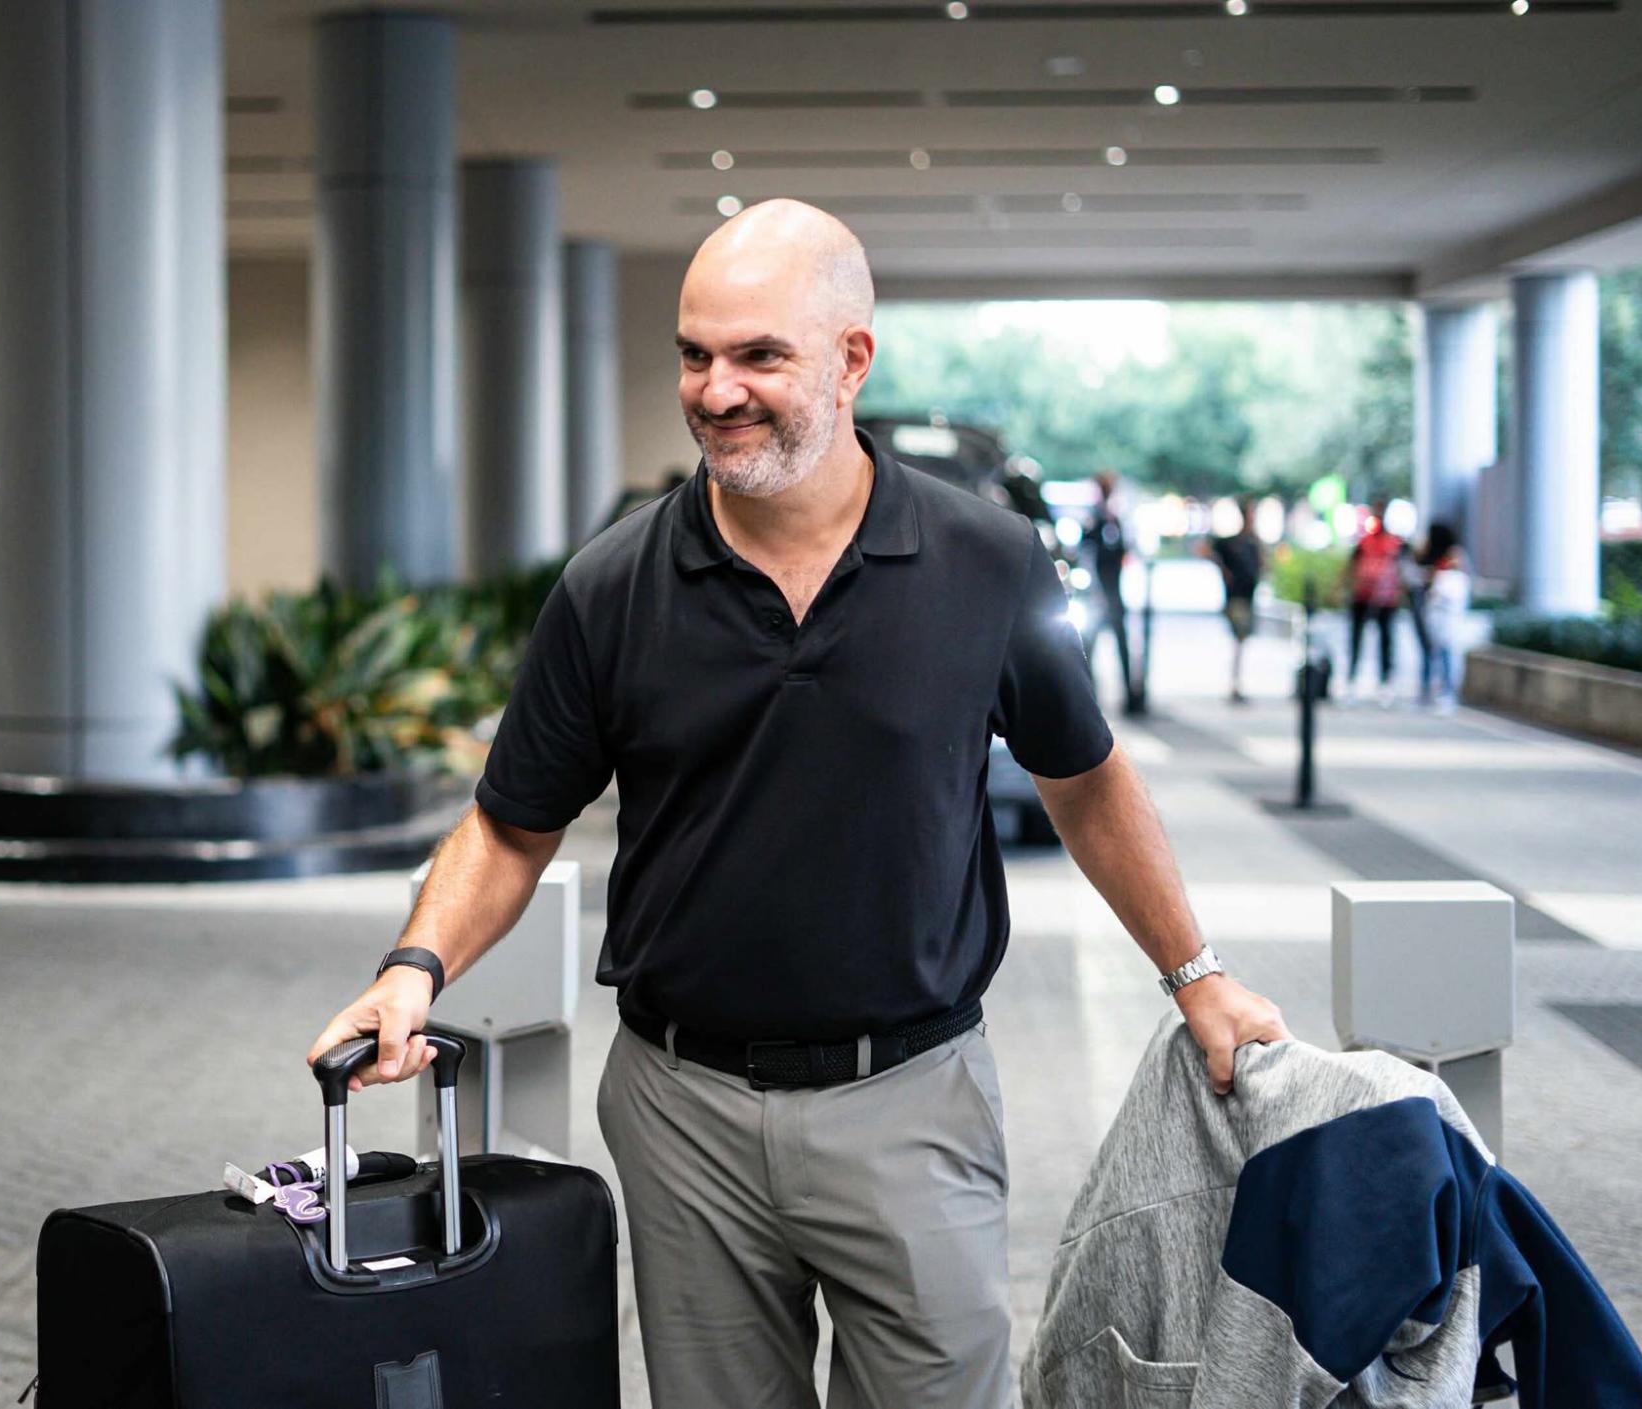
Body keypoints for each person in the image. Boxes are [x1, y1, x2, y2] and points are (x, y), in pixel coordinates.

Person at [307, 199, 1288, 1409]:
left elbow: (1083, 780)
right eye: (693, 354)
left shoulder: (986, 561)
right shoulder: (610, 586)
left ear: (849, 358)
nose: (716, 390)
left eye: (758, 355)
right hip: (683, 1113)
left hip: (912, 1098)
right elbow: (513, 820)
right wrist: (414, 964)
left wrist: (1195, 972)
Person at [1080, 472, 1138, 708]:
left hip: (1113, 593)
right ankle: (1090, 694)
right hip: (1097, 594)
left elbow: (1123, 551)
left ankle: (1130, 694)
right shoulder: (1094, 519)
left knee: (1120, 645)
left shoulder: (1114, 519)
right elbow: (1086, 552)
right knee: (1089, 648)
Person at [1342, 497, 1404, 703]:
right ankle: (1351, 681)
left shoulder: (1395, 543)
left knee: (1386, 641)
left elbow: (1403, 569)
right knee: (1356, 639)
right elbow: (1352, 566)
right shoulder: (1364, 542)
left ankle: (1385, 683)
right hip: (1362, 596)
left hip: (1387, 600)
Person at [1200, 497, 1261, 704]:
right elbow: (1206, 550)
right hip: (1236, 598)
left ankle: (1236, 684)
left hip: (1247, 597)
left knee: (1241, 641)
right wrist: (1223, 570)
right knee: (1239, 639)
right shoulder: (1231, 542)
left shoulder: (1252, 542)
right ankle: (1235, 685)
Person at [1424, 527, 1472, 714]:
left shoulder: (1457, 578)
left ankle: (1448, 692)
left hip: (1450, 623)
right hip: (1438, 622)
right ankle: (1433, 691)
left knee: (1448, 656)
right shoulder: (1441, 574)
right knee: (1436, 654)